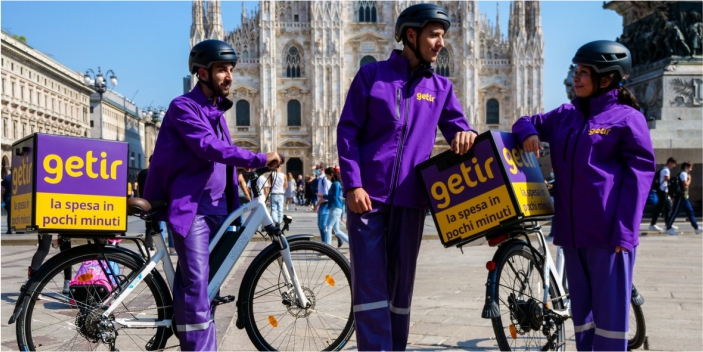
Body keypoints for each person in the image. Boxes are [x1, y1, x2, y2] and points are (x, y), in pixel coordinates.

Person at [337, 4, 476, 350]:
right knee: (370, 287)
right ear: (411, 36)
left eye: (443, 35)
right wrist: (353, 184)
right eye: (434, 34)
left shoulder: (440, 87)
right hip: (368, 198)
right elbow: (347, 132)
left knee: (401, 291)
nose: (440, 42)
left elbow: (458, 126)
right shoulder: (373, 77)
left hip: (411, 200)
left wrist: (466, 134)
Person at [514, 40, 655, 351]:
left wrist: (626, 232)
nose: (575, 78)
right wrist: (529, 134)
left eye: (582, 72)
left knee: (610, 322)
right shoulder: (565, 115)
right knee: (583, 319)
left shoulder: (627, 119)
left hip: (610, 237)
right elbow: (524, 121)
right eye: (574, 71)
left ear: (606, 78)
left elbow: (640, 178)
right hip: (571, 235)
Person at [142, 39, 281, 351]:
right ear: (202, 73)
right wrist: (257, 158)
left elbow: (223, 161)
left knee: (210, 288)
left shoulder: (217, 111)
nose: (229, 76)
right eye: (221, 69)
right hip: (194, 211)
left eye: (231, 69)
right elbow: (207, 147)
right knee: (195, 286)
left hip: (220, 210)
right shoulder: (184, 107)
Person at [138, 156, 176, 254]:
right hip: (158, 203)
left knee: (150, 227)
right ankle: (171, 247)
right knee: (169, 226)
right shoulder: (155, 174)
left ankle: (149, 246)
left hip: (145, 203)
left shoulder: (142, 173)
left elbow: (139, 189)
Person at [667, 162, 702, 234]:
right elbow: (685, 185)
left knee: (690, 212)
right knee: (675, 212)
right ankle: (668, 227)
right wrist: (690, 180)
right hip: (681, 196)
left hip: (685, 197)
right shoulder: (683, 174)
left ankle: (696, 227)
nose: (691, 169)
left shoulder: (684, 174)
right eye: (690, 167)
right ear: (686, 167)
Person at [319, 167, 348, 248]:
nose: (327, 177)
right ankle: (351, 243)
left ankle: (328, 248)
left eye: (327, 175)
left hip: (335, 207)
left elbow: (334, 197)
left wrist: (324, 196)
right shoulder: (336, 183)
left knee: (328, 227)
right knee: (336, 230)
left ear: (331, 174)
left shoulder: (335, 184)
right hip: (336, 207)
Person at [649, 157, 677, 233]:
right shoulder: (665, 170)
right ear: (670, 162)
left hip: (664, 191)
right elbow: (667, 179)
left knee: (668, 206)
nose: (674, 166)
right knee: (660, 208)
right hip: (662, 191)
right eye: (673, 164)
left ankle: (668, 223)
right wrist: (674, 179)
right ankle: (653, 224)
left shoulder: (665, 169)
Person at [314, 166, 331, 243]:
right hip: (321, 204)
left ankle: (326, 246)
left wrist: (317, 204)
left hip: (325, 204)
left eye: (317, 168)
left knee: (324, 226)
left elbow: (326, 195)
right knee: (320, 226)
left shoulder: (325, 179)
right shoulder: (319, 179)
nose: (316, 170)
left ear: (322, 169)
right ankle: (324, 244)